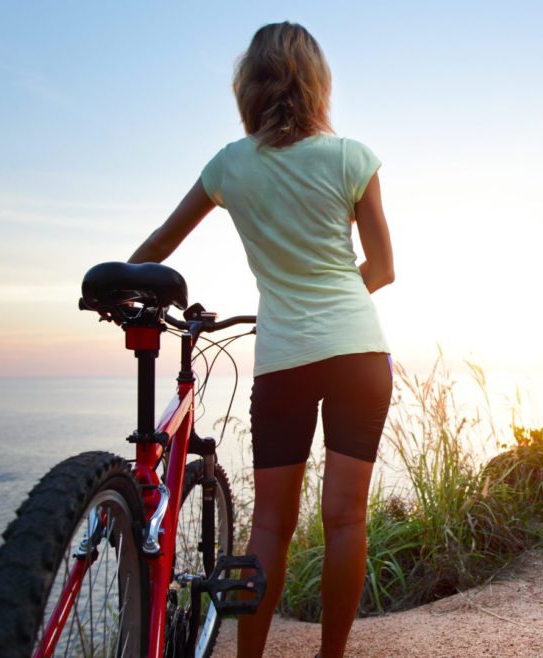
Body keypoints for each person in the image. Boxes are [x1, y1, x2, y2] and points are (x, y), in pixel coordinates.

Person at [128, 21, 394, 658]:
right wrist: (333, 298)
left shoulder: (230, 165)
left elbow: (158, 250)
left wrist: (118, 284)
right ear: (317, 83)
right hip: (358, 352)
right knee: (346, 518)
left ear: (248, 87)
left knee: (271, 523)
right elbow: (382, 270)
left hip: (284, 360)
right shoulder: (353, 157)